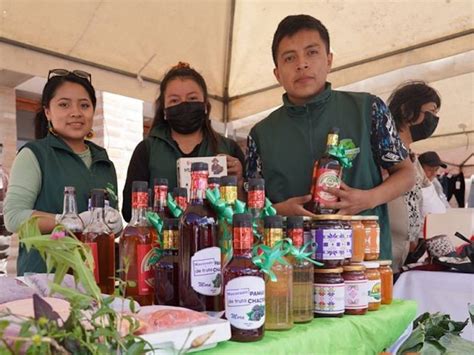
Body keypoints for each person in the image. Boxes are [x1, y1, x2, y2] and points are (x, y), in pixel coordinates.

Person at [245, 15, 415, 260]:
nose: (301, 64)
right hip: (289, 264)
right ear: (277, 73)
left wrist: (367, 199)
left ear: (329, 60)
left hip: (361, 263)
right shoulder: (261, 134)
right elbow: (251, 206)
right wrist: (280, 211)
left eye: (311, 53)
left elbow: (406, 173)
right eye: (289, 58)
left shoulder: (367, 109)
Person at [4, 69, 121, 276]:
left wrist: (115, 223)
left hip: (98, 281)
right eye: (64, 104)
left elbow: (107, 222)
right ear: (48, 112)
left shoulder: (104, 161)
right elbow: (14, 217)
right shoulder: (35, 154)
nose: (76, 112)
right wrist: (69, 220)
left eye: (84, 105)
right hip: (46, 280)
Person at [122, 63, 245, 222]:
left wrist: (240, 181)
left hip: (217, 243)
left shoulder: (228, 148)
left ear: (205, 105)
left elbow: (249, 212)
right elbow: (128, 212)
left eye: (192, 98)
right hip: (160, 243)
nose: (184, 105)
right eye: (174, 100)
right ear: (164, 110)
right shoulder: (147, 150)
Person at [387, 82, 442, 272]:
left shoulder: (412, 158)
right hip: (380, 256)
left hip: (399, 258)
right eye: (431, 112)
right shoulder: (384, 152)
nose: (434, 119)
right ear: (407, 110)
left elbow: (430, 203)